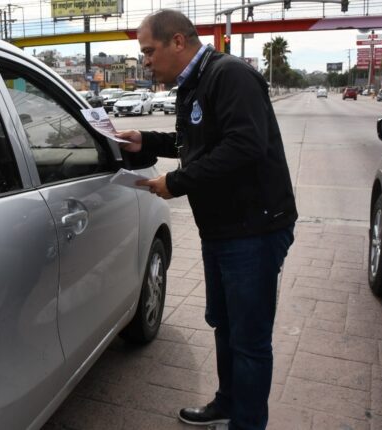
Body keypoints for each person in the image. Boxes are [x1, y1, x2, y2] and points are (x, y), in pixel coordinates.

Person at [115, 9, 297, 429]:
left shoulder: (229, 75)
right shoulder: (193, 84)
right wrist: (146, 141)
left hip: (254, 228)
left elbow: (243, 146)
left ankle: (247, 423)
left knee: (249, 340)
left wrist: (174, 183)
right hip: (222, 229)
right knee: (224, 325)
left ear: (178, 41)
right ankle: (228, 403)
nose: (145, 61)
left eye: (148, 51)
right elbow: (193, 142)